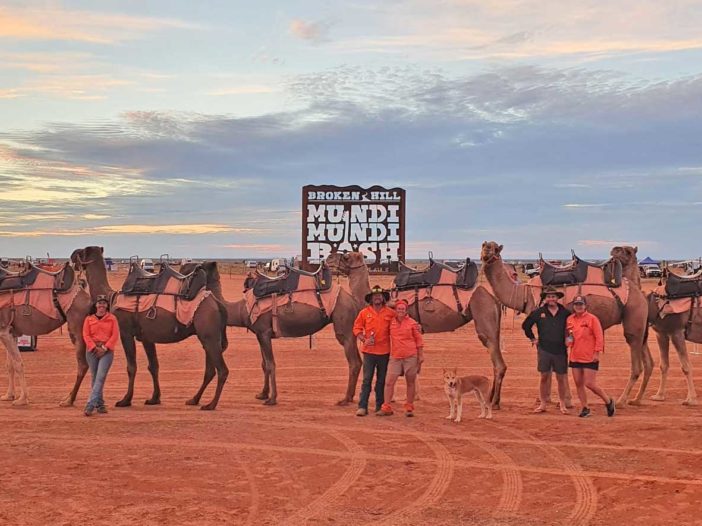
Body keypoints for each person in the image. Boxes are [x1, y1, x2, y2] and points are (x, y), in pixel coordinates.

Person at [522, 286, 571, 414]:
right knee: (544, 376)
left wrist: (569, 338)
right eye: (549, 296)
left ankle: (562, 403)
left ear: (557, 298)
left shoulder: (565, 313)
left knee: (561, 378)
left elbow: (572, 328)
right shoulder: (538, 312)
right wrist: (533, 339)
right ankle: (543, 403)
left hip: (560, 350)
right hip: (544, 349)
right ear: (545, 298)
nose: (551, 299)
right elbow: (526, 326)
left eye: (553, 296)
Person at [567, 295, 615, 418]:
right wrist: (568, 341)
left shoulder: (592, 319)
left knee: (590, 383)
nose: (579, 307)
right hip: (575, 355)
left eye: (581, 304)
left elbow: (599, 337)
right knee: (578, 383)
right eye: (576, 304)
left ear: (585, 306)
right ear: (573, 306)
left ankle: (608, 401)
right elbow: (569, 335)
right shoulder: (570, 319)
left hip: (589, 356)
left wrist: (597, 353)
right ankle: (585, 407)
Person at [352, 285, 395, 416]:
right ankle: (362, 406)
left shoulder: (390, 313)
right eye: (375, 296)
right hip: (369, 352)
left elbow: (400, 324)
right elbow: (356, 329)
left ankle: (379, 406)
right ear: (371, 299)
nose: (377, 298)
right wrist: (363, 339)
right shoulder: (364, 313)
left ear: (383, 298)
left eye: (379, 296)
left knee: (381, 381)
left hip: (384, 352)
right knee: (367, 380)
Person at [378, 299, 424, 417]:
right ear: (395, 310)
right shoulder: (390, 322)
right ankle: (386, 406)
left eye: (403, 309)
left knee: (410, 381)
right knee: (389, 382)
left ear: (406, 310)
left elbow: (419, 339)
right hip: (396, 356)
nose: (400, 311)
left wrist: (420, 354)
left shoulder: (412, 323)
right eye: (398, 309)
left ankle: (409, 407)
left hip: (410, 356)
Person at [82, 295, 119, 416]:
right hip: (92, 351)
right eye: (99, 303)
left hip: (106, 351)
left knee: (101, 376)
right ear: (96, 305)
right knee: (95, 377)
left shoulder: (112, 319)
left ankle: (90, 404)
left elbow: (114, 335)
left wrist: (104, 348)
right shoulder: (89, 319)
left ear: (107, 306)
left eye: (104, 303)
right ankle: (100, 404)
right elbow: (86, 335)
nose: (102, 306)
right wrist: (93, 347)